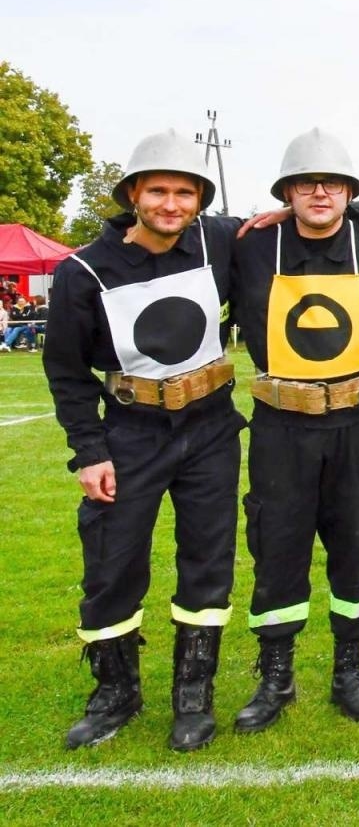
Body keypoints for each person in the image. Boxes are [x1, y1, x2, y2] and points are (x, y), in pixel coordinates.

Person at [43, 129, 245, 751]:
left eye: (185, 192)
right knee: (112, 563)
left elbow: (292, 217)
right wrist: (90, 451)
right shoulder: (82, 270)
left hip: (211, 428)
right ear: (134, 193)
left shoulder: (216, 241)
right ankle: (115, 693)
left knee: (208, 562)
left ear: (199, 199)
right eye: (158, 190)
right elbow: (66, 369)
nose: (171, 204)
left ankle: (193, 695)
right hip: (130, 433)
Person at [228, 129, 359, 734]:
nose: (319, 191)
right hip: (281, 424)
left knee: (356, 546)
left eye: (332, 182)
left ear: (350, 192)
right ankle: (276, 676)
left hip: (358, 420)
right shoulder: (250, 246)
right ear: (285, 191)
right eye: (305, 182)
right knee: (277, 546)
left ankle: (350, 672)